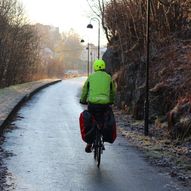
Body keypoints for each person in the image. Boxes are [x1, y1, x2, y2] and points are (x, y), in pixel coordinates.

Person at [80, 59, 116, 153]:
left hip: (92, 104)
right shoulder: (108, 77)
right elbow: (112, 91)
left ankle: (89, 143)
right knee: (104, 119)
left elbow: (85, 90)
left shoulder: (91, 77)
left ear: (94, 67)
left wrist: (83, 100)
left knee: (91, 120)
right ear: (104, 67)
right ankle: (104, 136)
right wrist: (111, 101)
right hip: (105, 105)